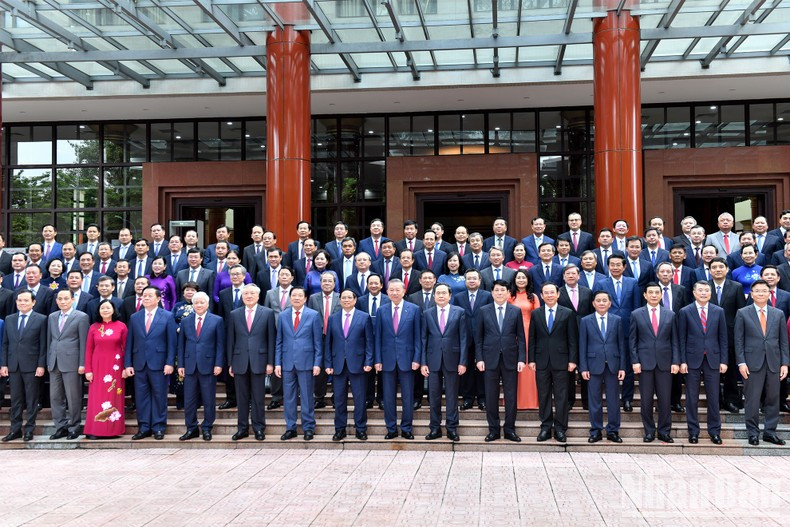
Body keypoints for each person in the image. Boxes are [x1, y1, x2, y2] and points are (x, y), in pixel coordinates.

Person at [735, 279, 790, 445]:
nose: (760, 293)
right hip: (751, 363)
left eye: (763, 291)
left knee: (773, 398)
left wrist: (785, 363)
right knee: (752, 399)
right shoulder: (743, 313)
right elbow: (738, 340)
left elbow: (783, 341)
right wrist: (741, 362)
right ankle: (752, 433)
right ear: (752, 294)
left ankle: (769, 432)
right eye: (757, 291)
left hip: (774, 362)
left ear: (769, 293)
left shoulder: (778, 313)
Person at [677, 281, 728, 445]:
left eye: (707, 290)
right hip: (692, 359)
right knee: (692, 397)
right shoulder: (685, 311)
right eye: (700, 290)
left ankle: (715, 432)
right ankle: (693, 432)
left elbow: (723, 338)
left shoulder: (718, 311)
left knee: (713, 397)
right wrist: (682, 360)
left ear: (711, 293)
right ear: (694, 292)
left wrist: (724, 360)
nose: (704, 293)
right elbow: (681, 338)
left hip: (713, 359)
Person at [124, 286, 178, 440]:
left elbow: (171, 342)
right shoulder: (135, 317)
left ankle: (159, 427)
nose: (145, 298)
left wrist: (169, 363)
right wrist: (128, 364)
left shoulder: (167, 316)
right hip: (139, 363)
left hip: (159, 364)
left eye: (149, 295)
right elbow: (130, 343)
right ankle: (144, 427)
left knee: (159, 396)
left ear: (158, 298)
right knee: (141, 397)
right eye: (143, 296)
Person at [477, 280, 527, 442]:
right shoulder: (483, 311)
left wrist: (521, 358)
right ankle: (493, 430)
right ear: (492, 293)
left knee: (511, 396)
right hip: (489, 359)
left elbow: (521, 337)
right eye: (496, 290)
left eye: (502, 290)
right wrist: (479, 358)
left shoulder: (515, 311)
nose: (499, 293)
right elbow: (478, 338)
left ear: (507, 293)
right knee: (491, 396)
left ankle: (510, 429)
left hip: (510, 359)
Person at [528, 282, 578, 443]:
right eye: (546, 293)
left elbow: (572, 339)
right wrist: (531, 359)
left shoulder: (568, 313)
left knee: (561, 396)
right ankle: (545, 427)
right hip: (541, 360)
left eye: (552, 292)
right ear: (541, 296)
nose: (549, 295)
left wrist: (572, 360)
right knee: (544, 395)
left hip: (562, 361)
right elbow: (532, 338)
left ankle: (560, 428)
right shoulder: (536, 313)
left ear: (558, 294)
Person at [630, 283, 680, 443]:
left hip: (665, 363)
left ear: (660, 295)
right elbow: (632, 341)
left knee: (665, 399)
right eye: (650, 292)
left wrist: (676, 361)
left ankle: (664, 431)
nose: (653, 295)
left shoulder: (670, 314)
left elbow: (675, 341)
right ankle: (649, 431)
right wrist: (635, 361)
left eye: (656, 292)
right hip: (644, 363)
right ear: (645, 295)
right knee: (646, 400)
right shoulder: (636, 314)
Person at [375, 278, 422, 440]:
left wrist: (417, 358)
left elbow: (418, 337)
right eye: (391, 290)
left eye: (397, 290)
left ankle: (407, 428)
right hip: (387, 360)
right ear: (387, 292)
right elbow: (378, 338)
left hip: (408, 360)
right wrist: (378, 360)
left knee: (407, 396)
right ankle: (391, 428)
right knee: (388, 397)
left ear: (404, 291)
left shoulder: (414, 309)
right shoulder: (381, 310)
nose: (394, 293)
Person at [227, 284, 276, 441]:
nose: (248, 296)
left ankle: (259, 428)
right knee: (241, 398)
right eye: (246, 293)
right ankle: (242, 429)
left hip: (260, 361)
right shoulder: (234, 314)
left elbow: (271, 339)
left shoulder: (267, 313)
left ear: (258, 296)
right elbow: (230, 341)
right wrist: (230, 363)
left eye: (252, 293)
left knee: (258, 398)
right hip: (239, 361)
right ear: (242, 296)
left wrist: (270, 362)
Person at [325, 289, 374, 441]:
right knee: (339, 400)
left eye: (349, 298)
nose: (346, 300)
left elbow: (369, 342)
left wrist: (368, 361)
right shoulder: (333, 318)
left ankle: (360, 428)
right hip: (338, 364)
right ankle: (340, 429)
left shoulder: (364, 317)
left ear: (355, 300)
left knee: (359, 399)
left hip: (358, 364)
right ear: (340, 300)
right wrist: (328, 363)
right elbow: (328, 343)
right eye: (343, 298)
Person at [275, 286, 323, 441]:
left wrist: (317, 363)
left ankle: (308, 427)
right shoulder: (283, 316)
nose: (296, 298)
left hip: (307, 362)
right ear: (290, 298)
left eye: (299, 295)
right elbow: (279, 341)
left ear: (305, 298)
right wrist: (277, 363)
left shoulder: (313, 315)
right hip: (287, 362)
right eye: (293, 295)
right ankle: (291, 428)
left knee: (307, 397)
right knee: (288, 397)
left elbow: (317, 342)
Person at [421, 283, 467, 441]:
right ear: (433, 296)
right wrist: (423, 362)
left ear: (449, 295)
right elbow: (423, 339)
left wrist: (463, 362)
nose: (441, 296)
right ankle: (435, 428)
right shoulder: (427, 313)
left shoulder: (459, 312)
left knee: (452, 396)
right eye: (438, 293)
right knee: (433, 396)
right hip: (432, 360)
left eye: (443, 293)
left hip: (453, 359)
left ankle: (452, 428)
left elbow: (463, 338)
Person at [579, 290, 626, 443]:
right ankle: (596, 430)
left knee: (613, 400)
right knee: (594, 400)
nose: (601, 303)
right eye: (598, 300)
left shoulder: (617, 320)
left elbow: (621, 344)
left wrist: (622, 367)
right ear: (593, 303)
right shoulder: (586, 320)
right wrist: (583, 368)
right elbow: (582, 345)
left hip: (613, 365)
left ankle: (613, 430)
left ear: (609, 303)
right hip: (593, 365)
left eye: (604, 300)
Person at [1, 291, 47, 442]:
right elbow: (5, 344)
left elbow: (43, 345)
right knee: (15, 400)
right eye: (19, 300)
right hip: (13, 366)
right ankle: (15, 430)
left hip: (32, 366)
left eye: (26, 300)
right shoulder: (9, 319)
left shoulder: (41, 319)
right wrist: (3, 364)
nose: (22, 303)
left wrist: (41, 365)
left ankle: (29, 429)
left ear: (33, 302)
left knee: (31, 399)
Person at [177, 292, 224, 442]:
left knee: (208, 398)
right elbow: (181, 345)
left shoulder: (217, 320)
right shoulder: (186, 321)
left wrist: (218, 363)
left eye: (202, 302)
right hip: (190, 365)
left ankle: (207, 427)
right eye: (196, 303)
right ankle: (191, 428)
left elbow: (220, 345)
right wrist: (181, 365)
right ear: (193, 304)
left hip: (209, 365)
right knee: (189, 400)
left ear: (207, 304)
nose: (199, 305)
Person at [47, 289, 90, 440]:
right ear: (56, 301)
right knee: (55, 397)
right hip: (54, 362)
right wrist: (48, 360)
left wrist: (82, 363)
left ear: (73, 300)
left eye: (66, 298)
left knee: (73, 396)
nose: (63, 301)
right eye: (60, 299)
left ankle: (74, 426)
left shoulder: (81, 317)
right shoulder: (52, 317)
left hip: (72, 362)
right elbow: (50, 340)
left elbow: (84, 342)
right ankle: (60, 427)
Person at [84, 300, 128, 439]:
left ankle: (113, 430)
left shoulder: (121, 327)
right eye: (102, 307)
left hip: (115, 366)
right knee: (96, 397)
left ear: (114, 310)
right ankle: (96, 430)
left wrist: (126, 367)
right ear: (98, 311)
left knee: (114, 396)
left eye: (108, 307)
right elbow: (89, 350)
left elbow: (126, 348)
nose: (105, 310)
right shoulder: (93, 327)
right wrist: (88, 370)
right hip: (97, 367)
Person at [708, 257, 746, 413]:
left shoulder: (736, 287)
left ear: (727, 269)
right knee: (712, 371)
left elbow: (741, 312)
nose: (717, 269)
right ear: (709, 271)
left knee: (730, 371)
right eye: (714, 267)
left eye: (720, 267)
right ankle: (715, 401)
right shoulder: (704, 287)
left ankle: (731, 400)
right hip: (708, 336)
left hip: (730, 335)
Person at [453, 268, 492, 411]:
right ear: (465, 281)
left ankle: (482, 399)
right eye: (469, 278)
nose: (471, 281)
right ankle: (468, 398)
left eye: (474, 278)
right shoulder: (458, 297)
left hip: (483, 338)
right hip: (465, 339)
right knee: (466, 369)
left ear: (480, 281)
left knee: (482, 370)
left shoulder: (487, 296)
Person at [558, 264, 594, 411]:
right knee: (568, 369)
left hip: (586, 334)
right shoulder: (558, 292)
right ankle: (569, 400)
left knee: (586, 368)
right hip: (565, 334)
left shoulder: (588, 292)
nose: (571, 276)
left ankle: (586, 401)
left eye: (574, 273)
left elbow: (592, 313)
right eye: (568, 274)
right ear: (563, 277)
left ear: (579, 276)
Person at [507, 269, 540, 410]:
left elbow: (538, 316)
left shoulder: (533, 297)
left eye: (523, 278)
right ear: (514, 280)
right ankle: (516, 401)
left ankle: (531, 401)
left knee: (529, 366)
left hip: (530, 332)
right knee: (515, 366)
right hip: (513, 333)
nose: (521, 280)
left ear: (528, 280)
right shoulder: (510, 296)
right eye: (518, 277)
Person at [307, 271, 340, 408]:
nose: (327, 283)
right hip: (318, 337)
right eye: (324, 281)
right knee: (319, 368)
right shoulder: (313, 298)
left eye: (329, 281)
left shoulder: (341, 297)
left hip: (336, 337)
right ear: (320, 284)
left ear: (334, 283)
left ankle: (336, 398)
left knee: (337, 367)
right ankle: (319, 398)